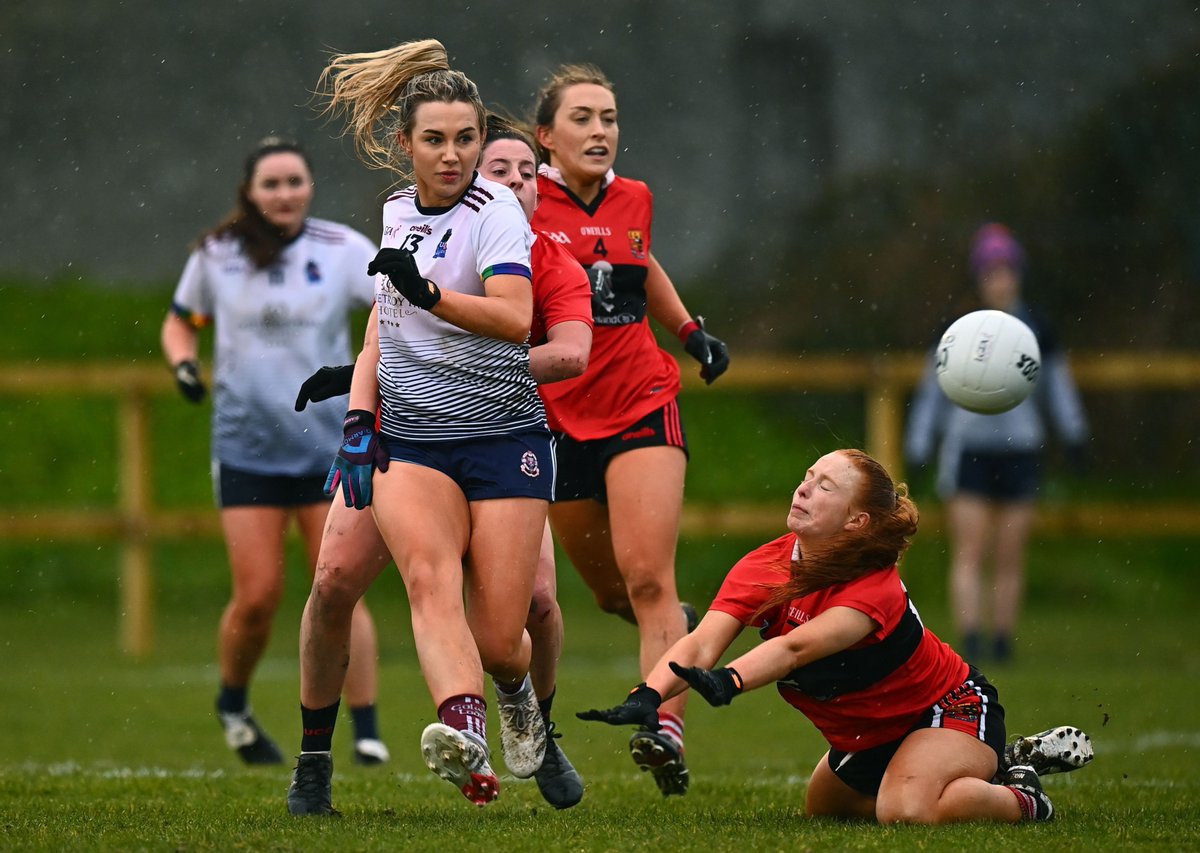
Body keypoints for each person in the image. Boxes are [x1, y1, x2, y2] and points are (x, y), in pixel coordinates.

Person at [287, 113, 593, 814]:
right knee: (338, 581)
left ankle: (534, 718)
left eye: (525, 173)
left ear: (541, 186)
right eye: (500, 170)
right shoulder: (412, 215)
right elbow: (386, 324)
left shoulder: (542, 257)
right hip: (412, 439)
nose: (510, 183)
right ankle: (323, 761)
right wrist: (361, 404)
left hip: (504, 440)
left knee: (521, 619)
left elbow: (568, 353)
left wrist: (452, 364)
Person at [578, 448, 1094, 824]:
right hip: (873, 736)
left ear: (856, 521)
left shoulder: (875, 586)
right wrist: (647, 695)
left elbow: (795, 647)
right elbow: (701, 643)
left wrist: (731, 680)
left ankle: (1022, 793)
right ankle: (980, 768)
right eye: (808, 477)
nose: (804, 489)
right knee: (826, 809)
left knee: (904, 811)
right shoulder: (764, 565)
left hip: (946, 709)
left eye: (825, 486)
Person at [529, 63, 730, 798]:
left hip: (642, 400)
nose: (600, 131)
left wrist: (689, 331)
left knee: (648, 577)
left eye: (609, 118)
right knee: (613, 594)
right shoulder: (522, 203)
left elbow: (642, 262)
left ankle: (665, 729)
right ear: (546, 136)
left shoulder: (635, 196)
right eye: (582, 118)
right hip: (556, 416)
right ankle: (679, 627)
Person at [159, 137, 388, 766]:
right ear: (250, 192)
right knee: (259, 597)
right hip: (248, 450)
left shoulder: (342, 250)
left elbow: (395, 311)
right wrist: (184, 363)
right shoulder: (216, 255)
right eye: (271, 184)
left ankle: (367, 731)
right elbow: (182, 320)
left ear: (310, 187)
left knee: (338, 586)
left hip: (328, 450)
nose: (284, 194)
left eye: (294, 181)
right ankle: (233, 704)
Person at [905, 223, 1089, 664]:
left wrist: (1075, 433)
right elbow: (932, 391)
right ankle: (971, 639)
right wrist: (919, 444)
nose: (1000, 281)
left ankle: (1003, 640)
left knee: (1009, 554)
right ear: (980, 278)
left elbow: (1058, 387)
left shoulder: (1038, 328)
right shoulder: (958, 329)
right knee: (970, 551)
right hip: (969, 452)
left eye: (1007, 271)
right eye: (991, 272)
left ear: (1018, 274)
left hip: (1020, 451)